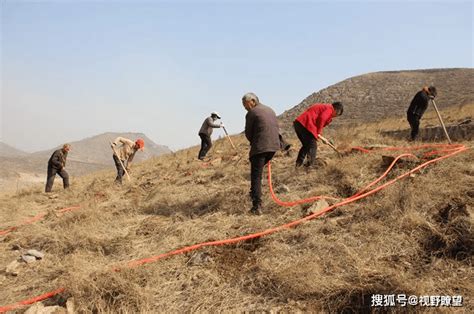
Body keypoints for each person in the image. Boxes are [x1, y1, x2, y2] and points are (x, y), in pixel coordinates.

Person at [243, 92, 280, 215]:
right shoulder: (270, 109)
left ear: (252, 101)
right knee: (258, 172)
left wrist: (255, 142)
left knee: (256, 176)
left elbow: (248, 133)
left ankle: (256, 205)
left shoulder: (252, 113)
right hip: (274, 147)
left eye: (245, 104)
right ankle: (254, 192)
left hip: (260, 147)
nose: (245, 107)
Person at [293, 102, 343, 167]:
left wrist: (319, 136)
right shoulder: (329, 109)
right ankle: (309, 166)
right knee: (313, 146)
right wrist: (318, 133)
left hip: (299, 123)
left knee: (306, 146)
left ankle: (298, 165)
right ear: (336, 110)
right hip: (306, 124)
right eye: (337, 114)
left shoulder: (324, 107)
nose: (335, 116)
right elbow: (322, 118)